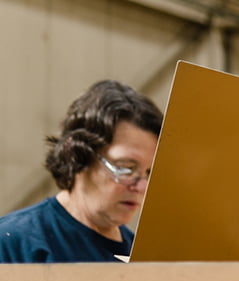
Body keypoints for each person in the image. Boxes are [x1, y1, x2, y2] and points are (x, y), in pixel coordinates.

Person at [0, 80, 163, 263]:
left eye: (149, 172)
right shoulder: (13, 243)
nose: (141, 187)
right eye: (126, 168)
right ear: (77, 155)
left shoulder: (142, 261)